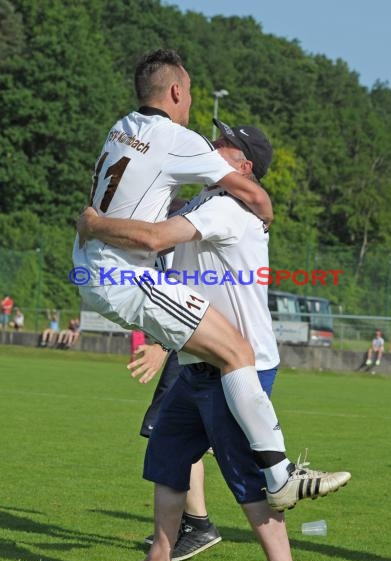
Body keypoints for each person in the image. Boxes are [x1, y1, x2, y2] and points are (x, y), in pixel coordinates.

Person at [79, 123, 350, 561]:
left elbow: (153, 238)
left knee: (249, 480)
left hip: (237, 367)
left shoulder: (225, 207)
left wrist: (94, 222)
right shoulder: (208, 200)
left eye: (224, 144)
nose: (212, 144)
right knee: (167, 457)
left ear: (244, 166)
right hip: (199, 363)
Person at [72, 48, 307, 505]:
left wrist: (97, 225)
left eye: (225, 144)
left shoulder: (120, 127)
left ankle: (188, 531)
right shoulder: (179, 141)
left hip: (96, 268)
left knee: (192, 417)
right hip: (121, 274)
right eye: (192, 94)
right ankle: (279, 476)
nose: (196, 111)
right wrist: (266, 211)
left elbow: (163, 210)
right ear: (177, 91)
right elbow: (249, 199)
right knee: (235, 351)